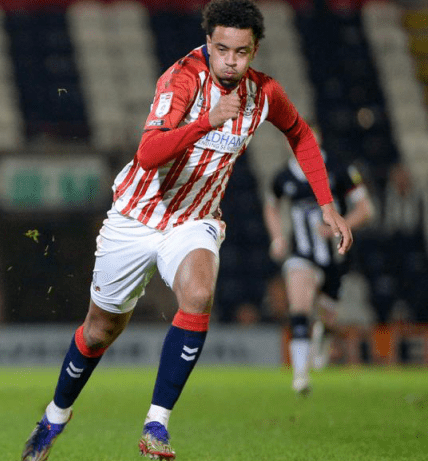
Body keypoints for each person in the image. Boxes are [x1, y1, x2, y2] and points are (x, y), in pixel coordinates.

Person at [20, 1, 353, 460]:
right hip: (136, 217)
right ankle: (55, 416)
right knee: (100, 331)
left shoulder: (265, 93)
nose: (231, 62)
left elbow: (300, 133)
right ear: (208, 44)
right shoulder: (181, 79)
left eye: (241, 52)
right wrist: (207, 122)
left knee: (198, 296)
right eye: (222, 50)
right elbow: (148, 153)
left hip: (195, 220)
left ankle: (157, 424)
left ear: (255, 50)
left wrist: (327, 204)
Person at [263, 147, 374, 394]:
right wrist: (278, 238)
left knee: (328, 314)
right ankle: (300, 375)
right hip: (301, 254)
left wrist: (343, 225)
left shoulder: (339, 169)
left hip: (335, 254)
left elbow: (365, 208)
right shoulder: (284, 176)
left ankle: (323, 335)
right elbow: (271, 205)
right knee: (299, 308)